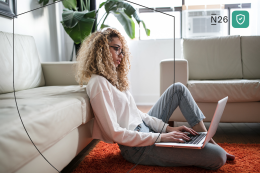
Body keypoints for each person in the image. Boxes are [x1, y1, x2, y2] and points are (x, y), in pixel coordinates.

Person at [75, 28, 235, 170]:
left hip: (146, 130)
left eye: (122, 51)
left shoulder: (113, 79)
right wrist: (161, 137)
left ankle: (206, 139)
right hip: (136, 148)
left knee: (177, 88)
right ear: (102, 49)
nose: (121, 55)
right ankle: (207, 145)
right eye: (116, 49)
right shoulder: (98, 83)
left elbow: (138, 115)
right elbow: (114, 133)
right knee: (218, 157)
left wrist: (167, 129)